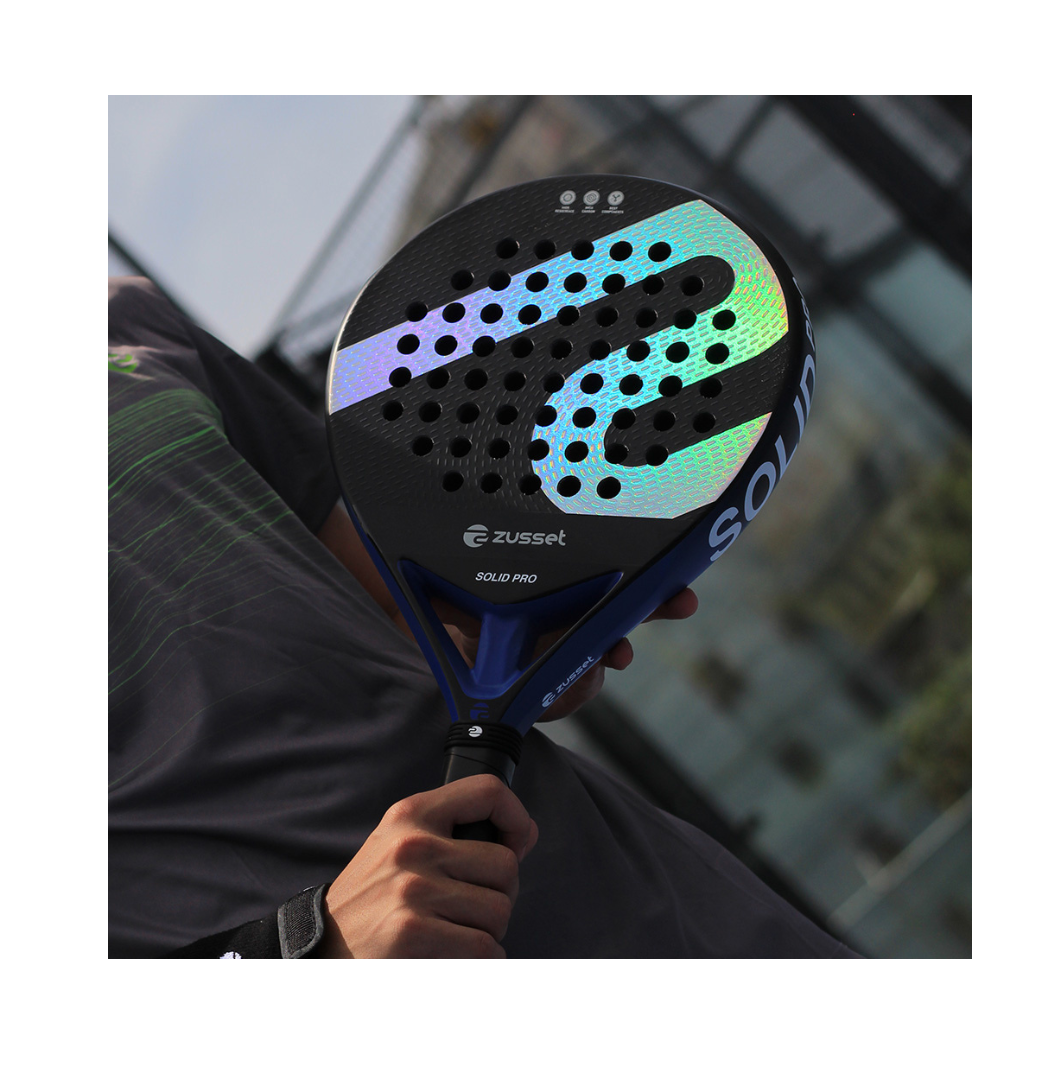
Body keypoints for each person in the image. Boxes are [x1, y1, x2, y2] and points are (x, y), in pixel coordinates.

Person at [109, 276, 857, 959]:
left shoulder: (119, 325)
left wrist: (517, 621)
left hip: (665, 912)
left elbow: (398, 603)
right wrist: (301, 949)